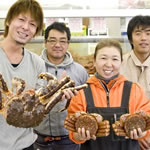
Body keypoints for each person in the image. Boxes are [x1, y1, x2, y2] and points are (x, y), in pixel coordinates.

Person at [0, 1, 76, 150]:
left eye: (32, 24)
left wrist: (59, 99)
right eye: (21, 20)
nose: (26, 27)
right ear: (8, 21)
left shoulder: (37, 63)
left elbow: (39, 109)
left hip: (27, 144)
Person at [64, 39, 150, 150]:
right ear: (94, 61)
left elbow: (147, 121)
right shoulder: (81, 92)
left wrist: (142, 134)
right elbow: (73, 132)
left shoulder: (134, 90)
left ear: (121, 62)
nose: (109, 64)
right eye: (103, 58)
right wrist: (79, 136)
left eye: (114, 59)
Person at [33, 22, 89, 150]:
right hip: (38, 138)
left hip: (69, 138)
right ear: (45, 42)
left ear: (68, 44)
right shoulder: (34, 67)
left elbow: (88, 104)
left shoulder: (80, 71)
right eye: (52, 40)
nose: (57, 45)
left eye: (62, 41)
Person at [120, 15, 150, 150]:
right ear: (131, 38)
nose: (143, 38)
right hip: (124, 135)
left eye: (148, 33)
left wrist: (147, 134)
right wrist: (136, 134)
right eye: (138, 33)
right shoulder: (118, 64)